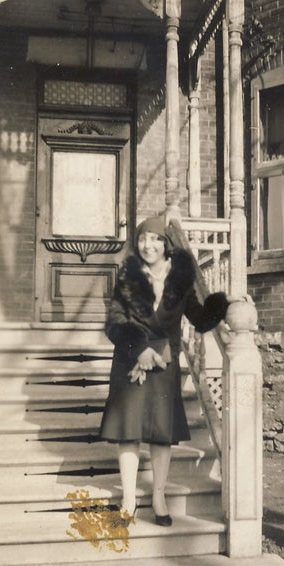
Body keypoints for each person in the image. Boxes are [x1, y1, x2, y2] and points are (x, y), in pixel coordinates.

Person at [99, 215, 229, 526]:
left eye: (156, 239)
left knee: (160, 435)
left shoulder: (180, 281)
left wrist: (223, 305)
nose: (149, 245)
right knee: (128, 433)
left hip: (164, 362)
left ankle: (158, 495)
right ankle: (129, 500)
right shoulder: (127, 278)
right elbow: (115, 321)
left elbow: (198, 318)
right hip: (130, 361)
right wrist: (139, 349)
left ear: (166, 245)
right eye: (144, 238)